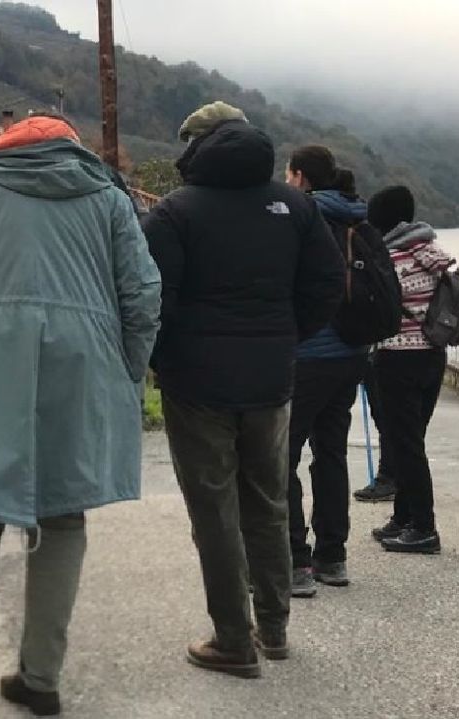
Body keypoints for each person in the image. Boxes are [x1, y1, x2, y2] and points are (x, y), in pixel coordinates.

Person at [0, 114, 160, 716]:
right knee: (63, 516)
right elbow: (143, 294)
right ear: (71, 149)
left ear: (3, 147)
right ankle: (41, 679)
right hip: (83, 363)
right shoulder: (108, 198)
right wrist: (128, 366)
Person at [142, 103, 343, 677]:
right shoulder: (296, 205)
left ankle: (233, 639)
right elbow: (328, 285)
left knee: (214, 510)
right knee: (269, 503)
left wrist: (167, 358)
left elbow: (153, 299)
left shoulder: (176, 212)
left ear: (195, 147)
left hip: (196, 384)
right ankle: (274, 629)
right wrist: (285, 336)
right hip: (272, 377)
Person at [283, 147, 375, 596]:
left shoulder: (301, 216)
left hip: (308, 354)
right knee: (332, 454)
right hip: (350, 355)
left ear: (300, 177)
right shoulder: (358, 216)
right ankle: (333, 558)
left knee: (281, 457)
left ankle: (296, 562)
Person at [365, 185, 454, 554]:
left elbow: (378, 309)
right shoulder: (433, 252)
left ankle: (423, 527)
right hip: (433, 355)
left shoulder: (390, 258)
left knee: (406, 444)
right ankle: (403, 518)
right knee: (410, 439)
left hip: (397, 355)